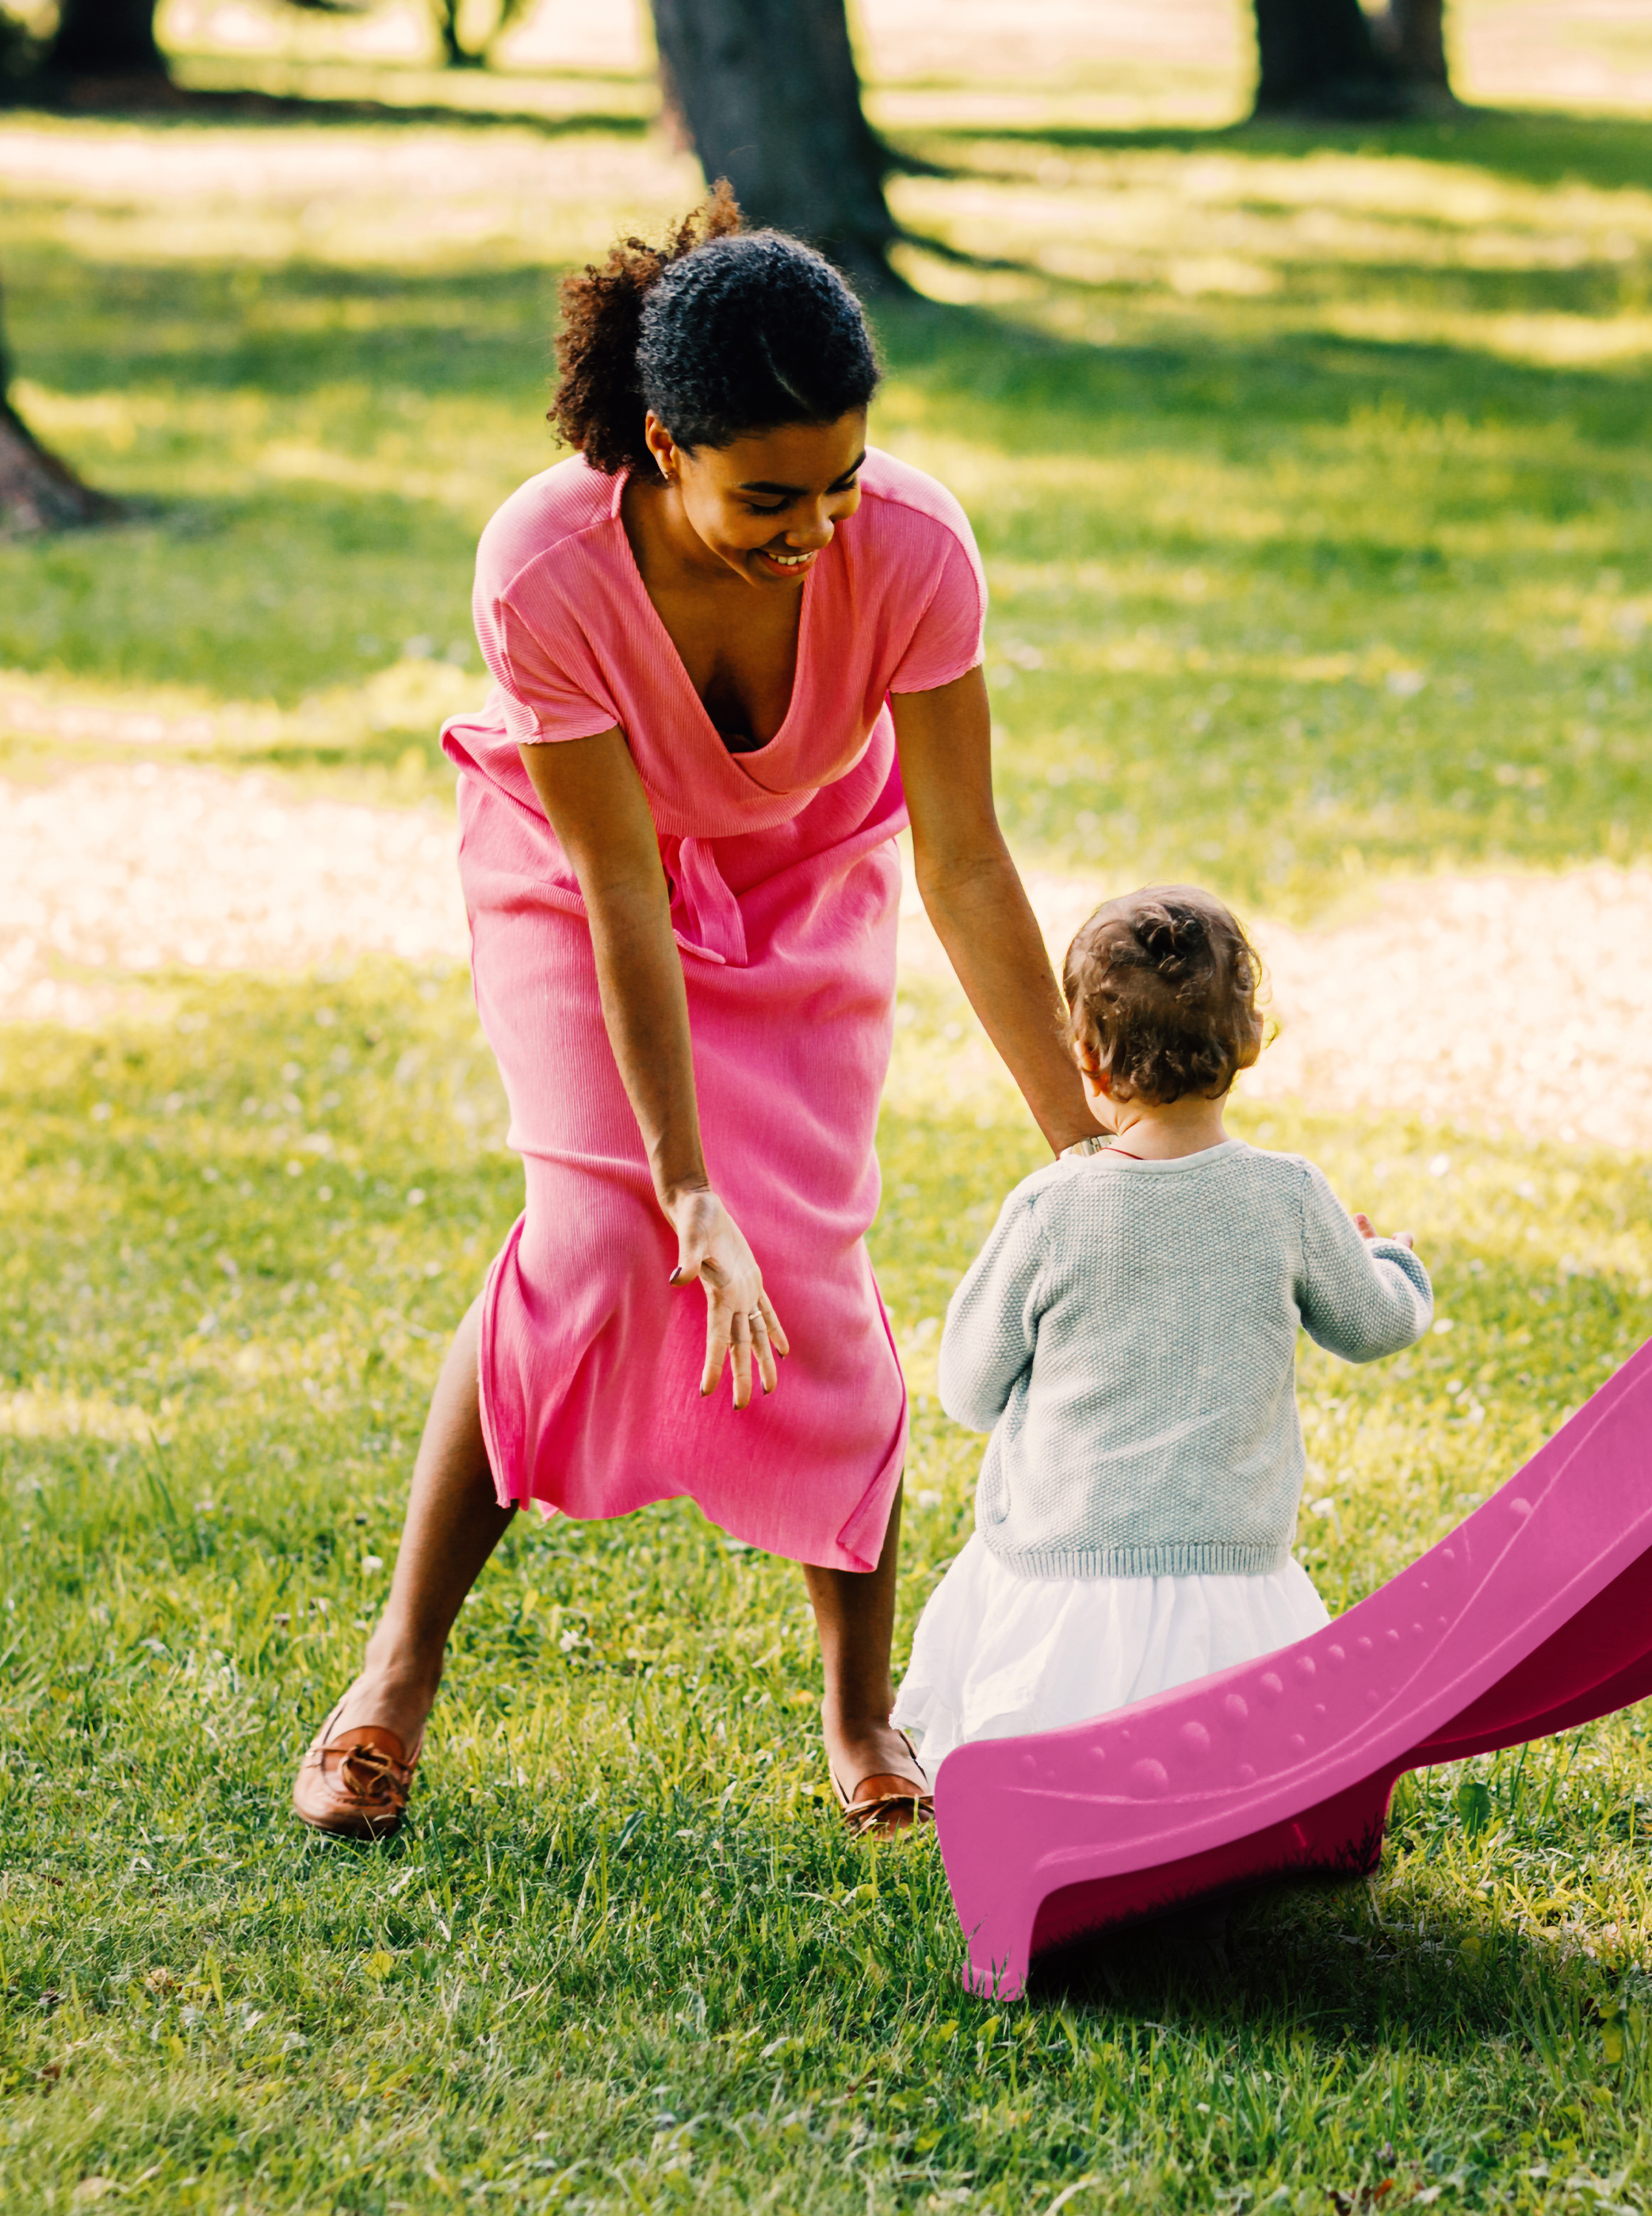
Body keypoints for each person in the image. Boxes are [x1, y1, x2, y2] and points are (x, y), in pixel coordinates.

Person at [292, 190, 1103, 1842]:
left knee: (811, 1260)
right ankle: (391, 1681)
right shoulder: (548, 568)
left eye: (845, 481)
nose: (819, 531)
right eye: (771, 496)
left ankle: (863, 1714)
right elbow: (620, 891)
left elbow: (962, 861)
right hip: (588, 886)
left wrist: (1090, 1150)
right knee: (591, 1245)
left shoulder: (919, 553)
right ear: (665, 447)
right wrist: (677, 1181)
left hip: (809, 876)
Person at [893, 886, 1434, 1774]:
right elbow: (1374, 1326)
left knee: (1057, 1780)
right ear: (1249, 1042)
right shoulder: (1290, 1195)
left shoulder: (1050, 1208)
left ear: (1088, 1064)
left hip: (1061, 1577)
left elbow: (966, 1389)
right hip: (1232, 1576)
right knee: (1234, 1789)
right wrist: (1397, 1266)